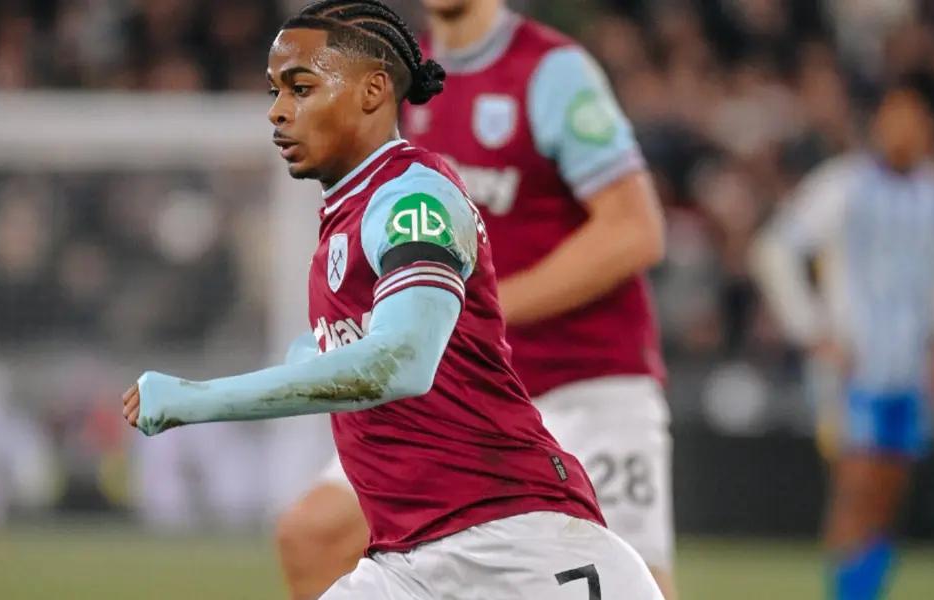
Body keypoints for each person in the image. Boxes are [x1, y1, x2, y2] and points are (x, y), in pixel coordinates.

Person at [122, 1, 663, 598]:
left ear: (372, 93)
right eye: (276, 91)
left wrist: (196, 401)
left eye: (300, 88)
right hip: (413, 549)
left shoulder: (444, 166)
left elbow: (399, 360)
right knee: (312, 534)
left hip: (556, 434)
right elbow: (366, 348)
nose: (276, 110)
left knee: (647, 569)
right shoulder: (360, 187)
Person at [752, 74, 934, 600]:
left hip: (910, 367)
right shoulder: (843, 186)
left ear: (929, 127)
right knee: (856, 487)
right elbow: (775, 249)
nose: (902, 129)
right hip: (852, 368)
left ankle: (865, 591)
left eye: (913, 117)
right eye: (893, 115)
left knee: (889, 492)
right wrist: (811, 329)